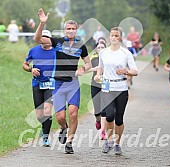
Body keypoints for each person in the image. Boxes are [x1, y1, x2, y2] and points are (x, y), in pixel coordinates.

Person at [34, 8, 91, 154]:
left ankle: (70, 142)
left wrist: (82, 69)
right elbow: (37, 39)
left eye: (73, 29)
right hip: (58, 84)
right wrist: (42, 24)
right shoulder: (57, 42)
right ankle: (64, 128)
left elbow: (89, 63)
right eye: (68, 28)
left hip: (72, 84)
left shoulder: (81, 46)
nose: (71, 31)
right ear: (64, 30)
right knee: (60, 117)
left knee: (73, 112)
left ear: (76, 30)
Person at [94, 27, 138, 155]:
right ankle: (109, 141)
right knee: (109, 116)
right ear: (109, 37)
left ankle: (117, 143)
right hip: (107, 88)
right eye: (112, 35)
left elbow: (135, 71)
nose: (113, 38)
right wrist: (98, 75)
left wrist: (125, 71)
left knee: (119, 119)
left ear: (120, 37)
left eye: (116, 35)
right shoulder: (104, 52)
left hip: (121, 89)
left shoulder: (126, 53)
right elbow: (101, 67)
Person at [23, 30, 55, 146]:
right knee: (40, 115)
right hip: (37, 84)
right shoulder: (34, 50)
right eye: (42, 37)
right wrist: (31, 69)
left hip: (51, 84)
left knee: (47, 110)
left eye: (46, 37)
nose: (44, 39)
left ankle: (45, 137)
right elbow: (24, 64)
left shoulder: (56, 52)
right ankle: (44, 128)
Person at [88, 41, 107, 140]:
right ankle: (98, 121)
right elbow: (88, 69)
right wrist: (95, 69)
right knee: (97, 110)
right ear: (96, 49)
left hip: (105, 85)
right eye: (98, 47)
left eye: (102, 47)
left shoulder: (109, 58)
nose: (100, 49)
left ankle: (103, 131)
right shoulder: (93, 58)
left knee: (105, 109)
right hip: (95, 85)